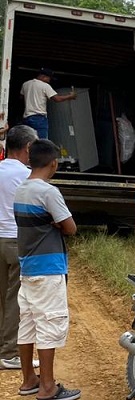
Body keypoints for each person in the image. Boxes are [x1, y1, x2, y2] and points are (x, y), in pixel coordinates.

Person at [14, 139, 80, 400]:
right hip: (48, 267)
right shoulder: (48, 191)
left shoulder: (22, 189)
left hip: (28, 267)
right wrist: (56, 223)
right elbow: (71, 227)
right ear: (53, 163)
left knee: (28, 324)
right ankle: (48, 386)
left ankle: (29, 379)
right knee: (49, 323)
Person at [0, 126, 37, 371]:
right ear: (28, 148)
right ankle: (9, 353)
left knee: (2, 296)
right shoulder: (27, 175)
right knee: (15, 300)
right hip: (17, 239)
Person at [20, 68, 77, 139]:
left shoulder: (26, 84)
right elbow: (57, 99)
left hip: (27, 118)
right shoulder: (45, 86)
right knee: (42, 142)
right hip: (39, 118)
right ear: (44, 76)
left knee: (28, 140)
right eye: (49, 78)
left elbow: (21, 97)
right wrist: (70, 96)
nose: (49, 81)